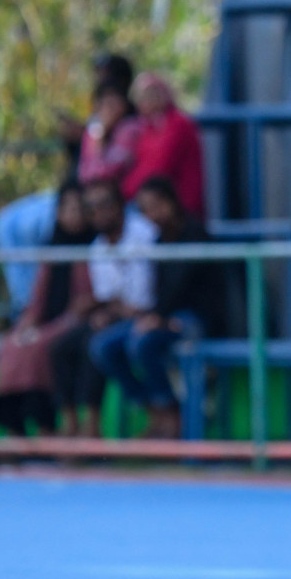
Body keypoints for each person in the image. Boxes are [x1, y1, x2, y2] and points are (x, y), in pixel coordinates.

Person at [0, 53, 133, 314]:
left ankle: (37, 309)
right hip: (72, 192)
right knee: (5, 223)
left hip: (109, 198)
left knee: (52, 226)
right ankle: (25, 305)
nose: (99, 79)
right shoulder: (96, 122)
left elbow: (104, 173)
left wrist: (95, 135)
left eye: (104, 72)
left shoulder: (129, 124)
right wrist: (75, 139)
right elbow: (79, 167)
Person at [89, 177, 225, 439]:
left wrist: (162, 318)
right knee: (103, 346)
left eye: (155, 205)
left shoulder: (195, 234)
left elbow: (186, 287)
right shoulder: (158, 240)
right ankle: (157, 412)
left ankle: (173, 413)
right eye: (145, 208)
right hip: (161, 317)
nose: (152, 214)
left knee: (142, 343)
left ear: (171, 203)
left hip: (194, 318)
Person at [0, 183, 96, 436]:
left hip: (74, 322)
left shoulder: (95, 248)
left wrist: (48, 329)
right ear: (58, 213)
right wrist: (27, 324)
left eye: (80, 208)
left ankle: (46, 427)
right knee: (13, 344)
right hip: (48, 323)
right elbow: (38, 300)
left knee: (38, 348)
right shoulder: (52, 250)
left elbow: (85, 304)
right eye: (68, 208)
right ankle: (15, 430)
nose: (74, 214)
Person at [57, 178, 157, 438]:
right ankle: (71, 424)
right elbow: (109, 298)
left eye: (104, 204)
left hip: (151, 316)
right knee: (60, 346)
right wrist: (102, 309)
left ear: (120, 205)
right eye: (91, 207)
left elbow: (141, 301)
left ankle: (94, 424)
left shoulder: (145, 234)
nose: (98, 213)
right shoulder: (98, 248)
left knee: (99, 344)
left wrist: (110, 309)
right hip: (119, 316)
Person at [121, 73, 206, 217]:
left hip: (181, 209)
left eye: (152, 95)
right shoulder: (149, 128)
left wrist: (125, 191)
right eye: (142, 97)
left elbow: (159, 167)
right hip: (153, 204)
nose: (145, 101)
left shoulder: (178, 124)